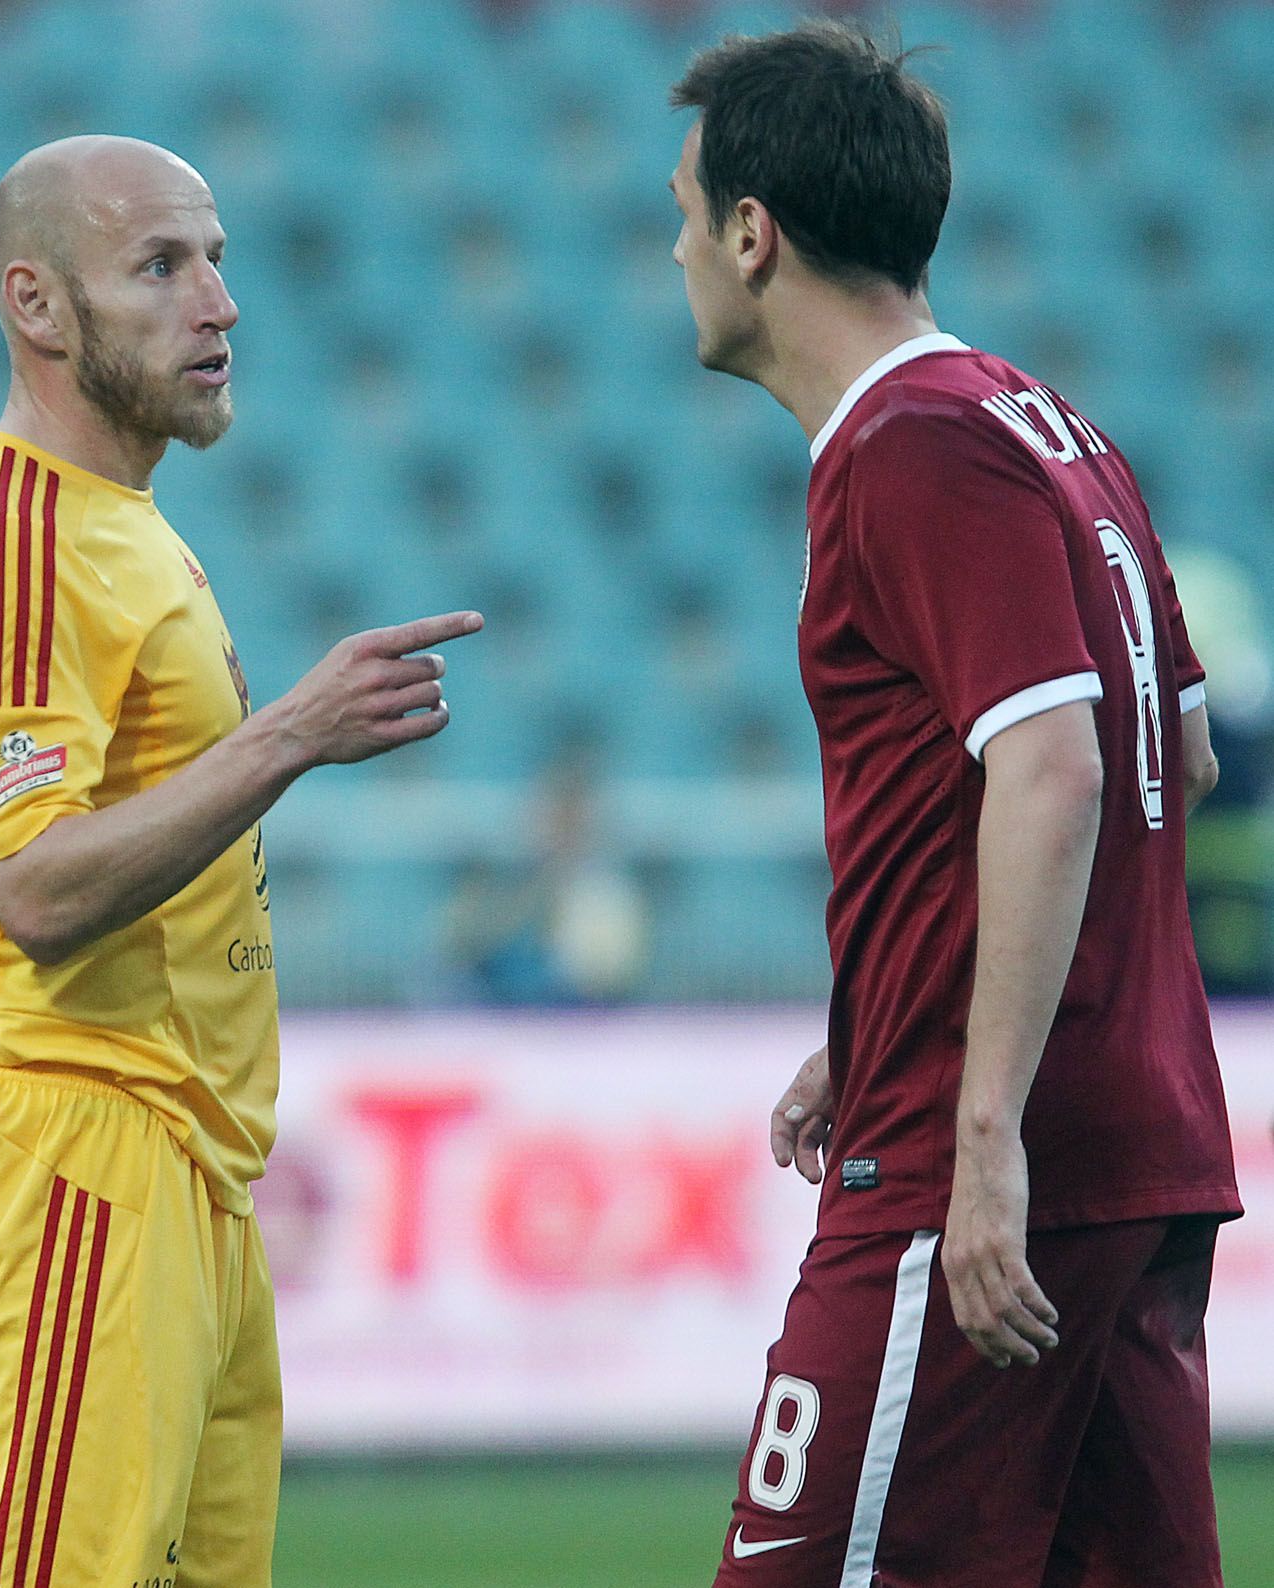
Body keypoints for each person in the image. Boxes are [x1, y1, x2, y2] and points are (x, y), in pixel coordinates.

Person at [667, 25, 1241, 1588]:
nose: (675, 254)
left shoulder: (904, 450)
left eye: (682, 214)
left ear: (749, 233)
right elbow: (1168, 760)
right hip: (1140, 1141)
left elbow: (1056, 764)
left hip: (978, 1166)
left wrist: (977, 1122)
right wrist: (884, 1016)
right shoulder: (1051, 430)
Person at [0, 135, 481, 1588]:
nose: (219, 303)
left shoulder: (125, 533)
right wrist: (290, 737)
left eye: (215, 260)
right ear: (37, 304)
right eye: (160, 265)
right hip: (69, 1158)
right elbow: (37, 891)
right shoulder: (13, 542)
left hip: (183, 1170)